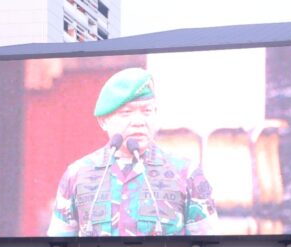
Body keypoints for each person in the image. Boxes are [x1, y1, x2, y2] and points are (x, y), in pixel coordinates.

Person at [47, 67, 218, 237]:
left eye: (147, 111)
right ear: (103, 121)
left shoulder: (186, 173)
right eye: (126, 113)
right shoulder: (77, 174)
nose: (139, 121)